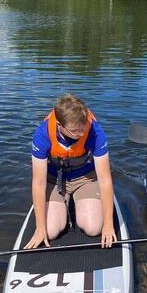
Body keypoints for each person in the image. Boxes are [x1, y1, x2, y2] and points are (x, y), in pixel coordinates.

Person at [25, 93, 116, 249]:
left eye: (82, 128)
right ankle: (63, 205)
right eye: (75, 131)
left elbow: (105, 179)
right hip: (55, 179)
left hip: (85, 178)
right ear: (60, 125)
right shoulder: (42, 135)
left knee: (93, 228)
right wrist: (40, 228)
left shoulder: (95, 132)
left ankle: (79, 203)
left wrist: (109, 224)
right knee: (51, 231)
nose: (80, 134)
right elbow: (38, 183)